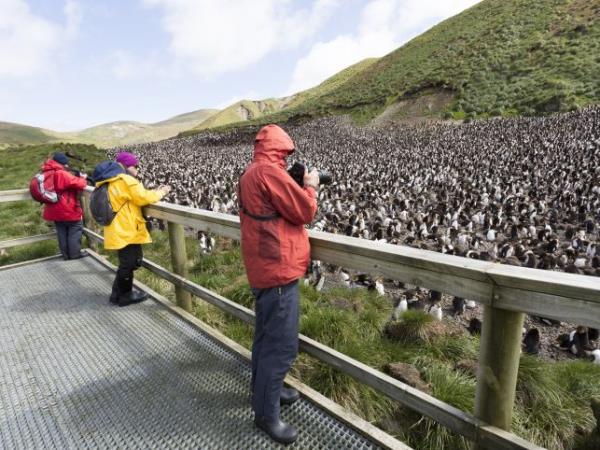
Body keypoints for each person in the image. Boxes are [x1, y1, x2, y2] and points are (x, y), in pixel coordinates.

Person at [238, 124, 319, 444]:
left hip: (263, 267)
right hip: (278, 270)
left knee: (264, 338)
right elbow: (305, 211)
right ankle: (266, 415)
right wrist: (310, 186)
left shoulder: (252, 172)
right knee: (281, 347)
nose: (287, 159)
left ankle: (264, 394)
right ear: (280, 149)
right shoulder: (270, 173)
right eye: (286, 154)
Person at [92, 151, 171, 307]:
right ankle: (126, 295)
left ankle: (117, 294)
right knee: (129, 263)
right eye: (136, 166)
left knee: (127, 262)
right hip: (126, 229)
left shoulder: (108, 180)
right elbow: (144, 198)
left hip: (116, 228)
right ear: (127, 166)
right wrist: (162, 191)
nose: (137, 170)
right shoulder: (125, 180)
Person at [42, 152, 88, 260]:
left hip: (52, 208)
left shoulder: (46, 171)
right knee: (75, 228)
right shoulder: (61, 173)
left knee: (61, 231)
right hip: (66, 208)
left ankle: (65, 255)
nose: (67, 166)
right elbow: (80, 184)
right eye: (66, 164)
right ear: (62, 163)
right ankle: (74, 254)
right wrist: (83, 178)